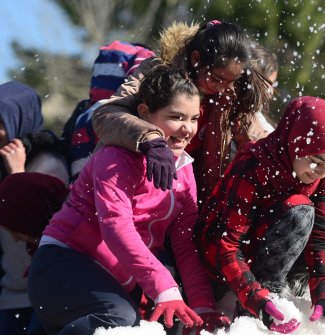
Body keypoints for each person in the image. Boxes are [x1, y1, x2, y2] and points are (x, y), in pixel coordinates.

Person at [27, 66, 229, 335]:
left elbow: (184, 244)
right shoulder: (116, 157)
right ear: (145, 113)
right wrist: (165, 288)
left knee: (142, 325)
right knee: (120, 320)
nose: (187, 129)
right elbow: (115, 227)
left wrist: (203, 306)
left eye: (194, 118)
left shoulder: (184, 169)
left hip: (116, 280)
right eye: (176, 117)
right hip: (63, 264)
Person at [194, 97, 325, 335]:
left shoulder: (323, 171)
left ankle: (294, 284)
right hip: (228, 257)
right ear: (295, 142)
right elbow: (226, 244)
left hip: (282, 238)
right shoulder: (255, 164)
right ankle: (268, 295)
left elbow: (322, 232)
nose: (322, 172)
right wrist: (255, 298)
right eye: (315, 161)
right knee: (300, 210)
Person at [92, 20, 274, 204]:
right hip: (133, 184)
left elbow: (257, 136)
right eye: (217, 79)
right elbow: (105, 114)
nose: (223, 89)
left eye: (231, 81)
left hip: (189, 196)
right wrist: (149, 139)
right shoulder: (158, 72)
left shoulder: (230, 90)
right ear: (196, 60)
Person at [0, 81, 69, 335]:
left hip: (45, 292)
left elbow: (40, 229)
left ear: (18, 119)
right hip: (10, 292)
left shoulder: (47, 164)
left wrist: (17, 175)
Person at [60, 40, 155, 180]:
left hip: (77, 190)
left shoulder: (84, 111)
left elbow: (65, 147)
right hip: (110, 182)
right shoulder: (122, 115)